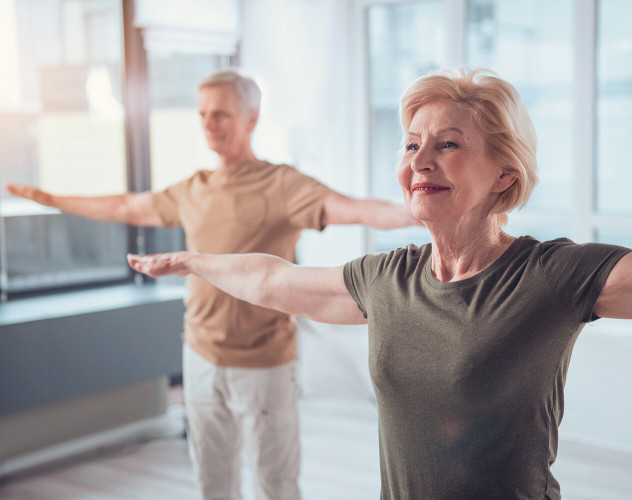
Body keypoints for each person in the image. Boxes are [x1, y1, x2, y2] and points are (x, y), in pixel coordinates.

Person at [127, 68, 632, 500]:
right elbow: (272, 278)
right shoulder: (387, 279)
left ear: (505, 173)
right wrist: (193, 262)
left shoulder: (548, 276)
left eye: (448, 145)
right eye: (411, 144)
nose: (419, 159)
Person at [6, 68, 419, 500]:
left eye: (220, 114)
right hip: (200, 356)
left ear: (251, 119)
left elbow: (355, 209)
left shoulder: (281, 185)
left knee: (275, 484)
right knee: (212, 481)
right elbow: (126, 205)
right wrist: (52, 201)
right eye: (203, 114)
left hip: (263, 364)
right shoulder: (193, 189)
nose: (208, 124)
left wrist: (417, 209)